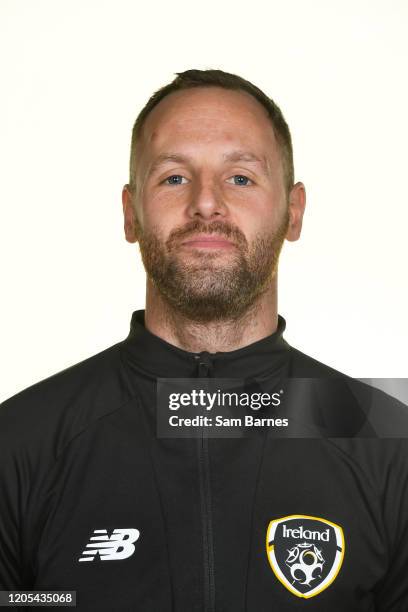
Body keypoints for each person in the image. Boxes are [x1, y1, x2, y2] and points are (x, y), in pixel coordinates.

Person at [1, 68, 407, 611]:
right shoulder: (20, 444)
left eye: (241, 177)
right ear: (130, 213)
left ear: (294, 210)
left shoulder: (386, 443)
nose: (207, 203)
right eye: (173, 177)